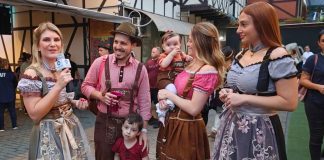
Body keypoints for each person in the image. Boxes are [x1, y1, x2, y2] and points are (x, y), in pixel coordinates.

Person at [213, 2, 298, 160]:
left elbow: (290, 102)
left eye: (244, 24)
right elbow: (239, 88)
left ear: (262, 24)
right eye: (238, 24)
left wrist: (243, 98)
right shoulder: (241, 54)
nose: (238, 30)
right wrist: (229, 92)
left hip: (261, 128)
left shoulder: (278, 55)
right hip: (232, 125)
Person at [16, 22, 94, 159]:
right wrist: (58, 86)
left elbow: (58, 99)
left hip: (70, 126)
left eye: (56, 39)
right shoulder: (32, 73)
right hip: (48, 132)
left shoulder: (60, 68)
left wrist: (74, 102)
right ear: (38, 46)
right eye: (46, 39)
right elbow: (34, 114)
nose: (53, 44)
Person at [81, 22, 151, 160]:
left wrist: (143, 130)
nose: (118, 47)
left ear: (133, 45)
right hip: (104, 122)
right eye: (116, 42)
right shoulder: (100, 62)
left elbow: (144, 101)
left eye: (123, 43)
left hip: (130, 125)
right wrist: (100, 96)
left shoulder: (140, 69)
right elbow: (85, 86)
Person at [156, 22, 225, 160]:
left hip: (187, 126)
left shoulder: (208, 70)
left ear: (201, 43)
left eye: (191, 41)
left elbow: (194, 108)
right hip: (175, 122)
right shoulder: (191, 62)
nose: (187, 44)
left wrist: (168, 94)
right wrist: (164, 99)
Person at [155, 31, 192, 125]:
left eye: (175, 44)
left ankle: (164, 110)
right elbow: (164, 64)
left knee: (175, 91)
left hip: (175, 79)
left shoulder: (181, 54)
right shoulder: (163, 56)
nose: (172, 47)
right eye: (168, 45)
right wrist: (171, 54)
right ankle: (162, 109)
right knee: (172, 90)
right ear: (163, 47)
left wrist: (188, 58)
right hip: (165, 79)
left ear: (180, 44)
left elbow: (186, 59)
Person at [300, 29, 324, 160]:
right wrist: (318, 87)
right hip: (315, 103)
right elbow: (303, 80)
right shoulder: (313, 59)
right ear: (319, 43)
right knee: (316, 137)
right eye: (323, 41)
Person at [201, 46, 235, 138]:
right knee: (218, 111)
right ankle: (214, 130)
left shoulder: (230, 67)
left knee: (218, 111)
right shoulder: (221, 66)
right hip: (217, 93)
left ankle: (215, 130)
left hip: (220, 93)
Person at [145, 47, 161, 128]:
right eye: (152, 51)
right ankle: (154, 120)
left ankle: (160, 120)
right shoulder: (148, 62)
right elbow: (145, 73)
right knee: (149, 105)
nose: (152, 53)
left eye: (154, 52)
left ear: (159, 53)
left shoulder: (161, 61)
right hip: (149, 87)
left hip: (158, 87)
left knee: (158, 105)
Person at [0, 58, 18, 131]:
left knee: (0, 112)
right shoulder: (11, 74)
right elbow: (15, 84)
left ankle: (1, 127)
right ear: (6, 65)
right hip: (10, 95)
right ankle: (14, 125)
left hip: (0, 96)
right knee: (12, 111)